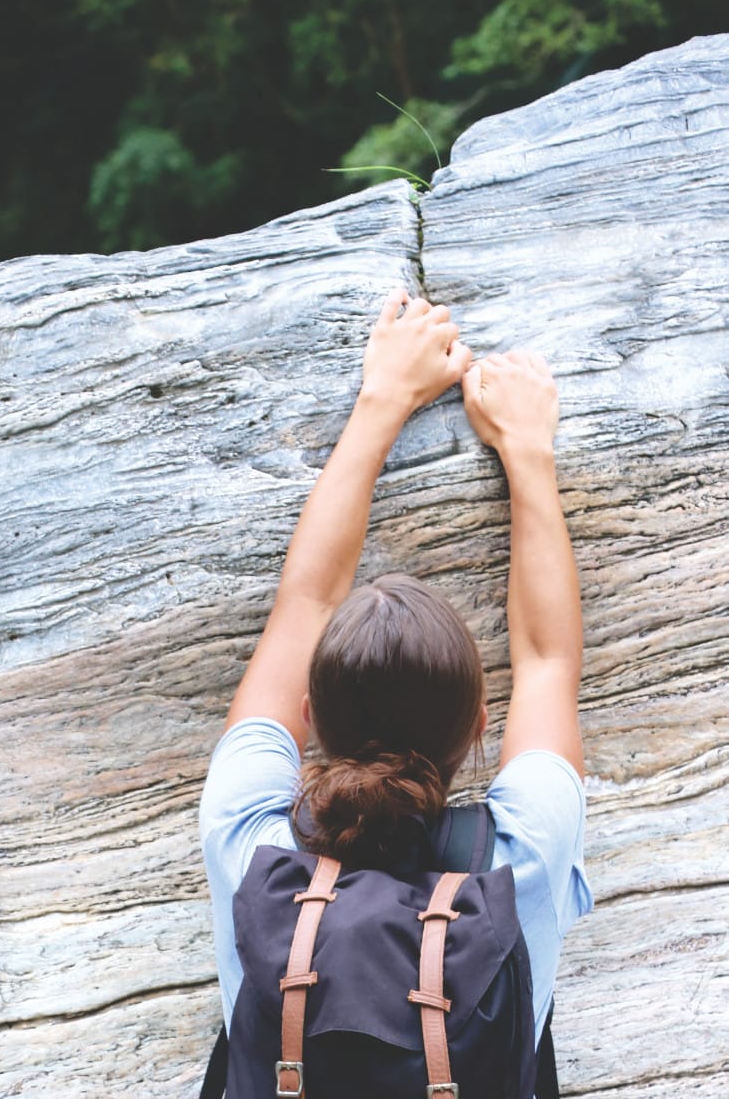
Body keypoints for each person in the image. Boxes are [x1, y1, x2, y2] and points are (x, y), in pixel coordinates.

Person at [199, 290, 593, 1074]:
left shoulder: (252, 849)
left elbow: (303, 605)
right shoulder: (523, 865)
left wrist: (383, 398)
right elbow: (550, 659)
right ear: (482, 725)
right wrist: (526, 449)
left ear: (310, 716)